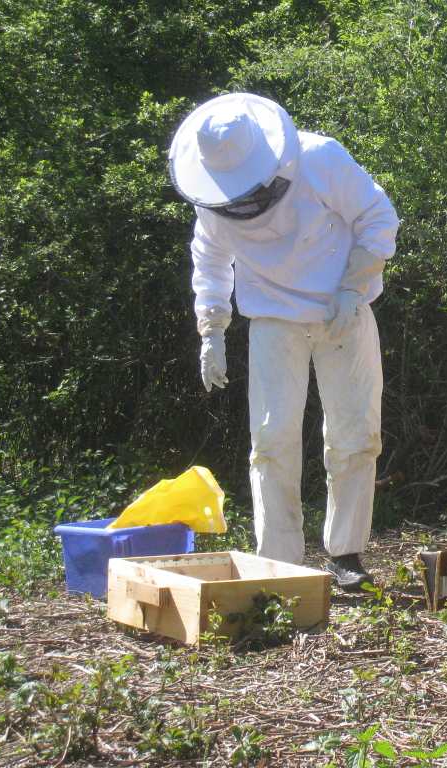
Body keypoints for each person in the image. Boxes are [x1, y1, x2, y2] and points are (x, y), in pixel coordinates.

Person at [168, 93, 399, 591]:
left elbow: (378, 217)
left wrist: (353, 286)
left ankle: (346, 554)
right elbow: (209, 260)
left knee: (355, 434)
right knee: (271, 440)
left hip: (343, 311)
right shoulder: (213, 196)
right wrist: (212, 329)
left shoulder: (320, 158)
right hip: (272, 319)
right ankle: (279, 561)